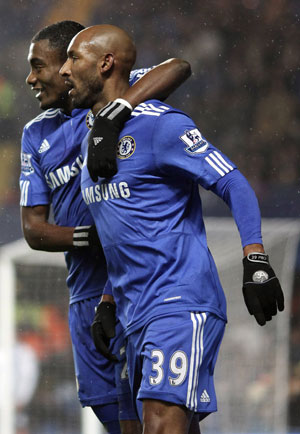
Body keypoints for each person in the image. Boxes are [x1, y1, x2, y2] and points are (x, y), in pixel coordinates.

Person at [60, 24, 285, 434]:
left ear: (106, 63)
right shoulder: (90, 139)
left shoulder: (159, 124)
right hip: (131, 313)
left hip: (177, 302)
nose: (63, 70)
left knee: (161, 427)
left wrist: (255, 257)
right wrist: (109, 299)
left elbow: (232, 181)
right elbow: (125, 228)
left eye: (74, 58)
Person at [19, 20, 191, 434]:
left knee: (162, 417)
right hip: (84, 296)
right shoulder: (35, 135)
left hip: (136, 289)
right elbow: (34, 229)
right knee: (117, 418)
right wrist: (90, 237)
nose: (31, 78)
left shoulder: (104, 98)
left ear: (69, 65)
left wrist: (115, 116)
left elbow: (178, 66)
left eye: (38, 66)